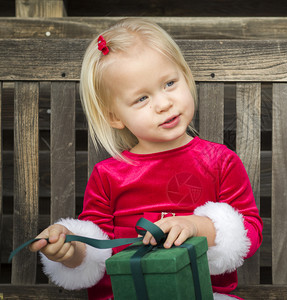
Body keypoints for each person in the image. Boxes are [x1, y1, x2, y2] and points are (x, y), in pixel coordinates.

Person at [29, 18, 263, 300]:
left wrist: (195, 226)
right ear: (115, 117)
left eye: (169, 83)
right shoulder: (109, 175)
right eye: (141, 99)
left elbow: (249, 233)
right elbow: (96, 251)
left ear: (186, 77)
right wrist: (70, 249)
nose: (164, 104)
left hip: (202, 293)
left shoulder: (219, 161)